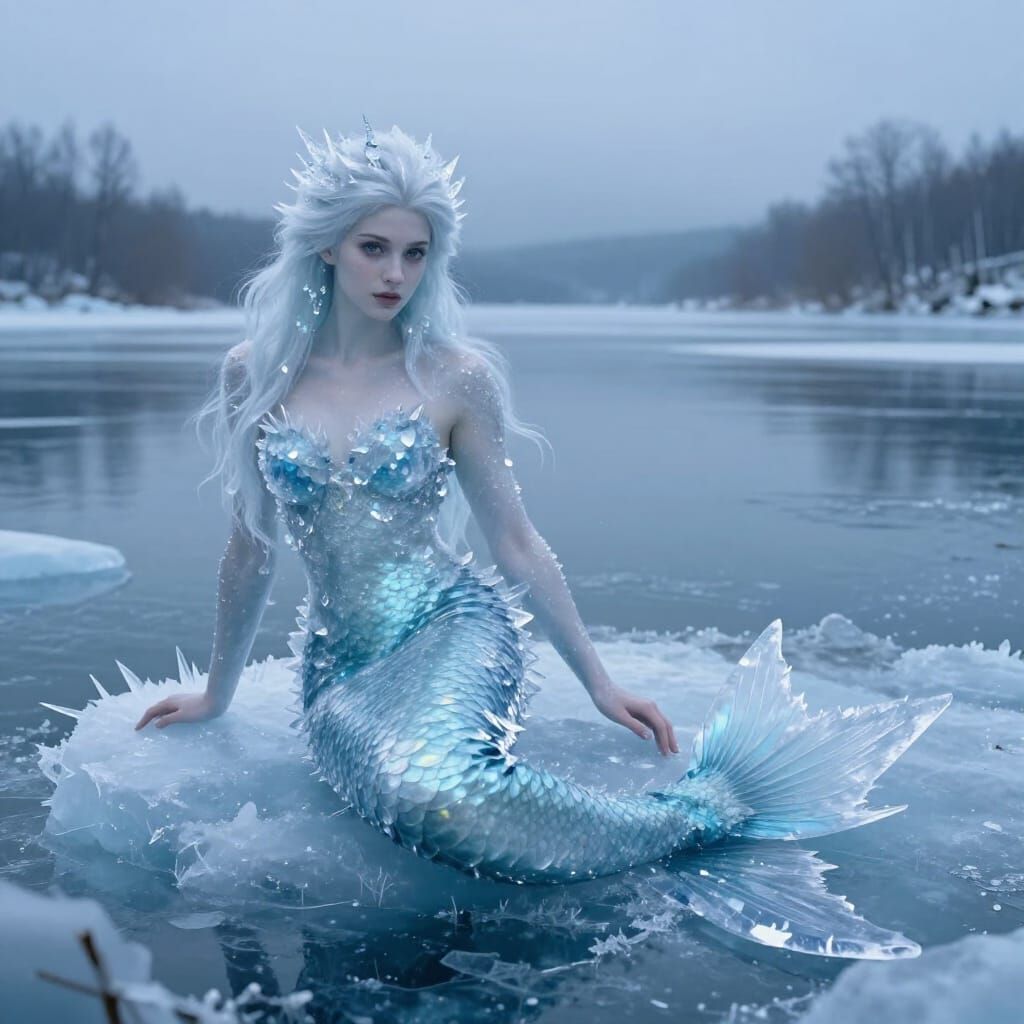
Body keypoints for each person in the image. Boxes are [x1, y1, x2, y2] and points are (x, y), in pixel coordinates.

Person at [121, 122, 948, 956]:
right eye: (375, 248)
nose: (396, 274)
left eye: (416, 253)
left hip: (451, 625)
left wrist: (599, 682)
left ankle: (703, 813)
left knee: (431, 793)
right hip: (341, 663)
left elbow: (515, 541)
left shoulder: (453, 375)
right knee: (398, 794)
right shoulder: (252, 374)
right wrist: (217, 694)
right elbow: (249, 548)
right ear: (327, 247)